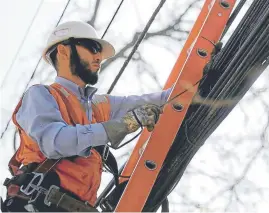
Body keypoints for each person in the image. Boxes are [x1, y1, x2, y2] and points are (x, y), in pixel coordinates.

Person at [1, 21, 171, 212]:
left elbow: (162, 100)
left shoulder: (98, 106)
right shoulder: (41, 95)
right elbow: (55, 142)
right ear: (64, 51)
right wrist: (122, 125)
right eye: (92, 48)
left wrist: (193, 86)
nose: (98, 57)